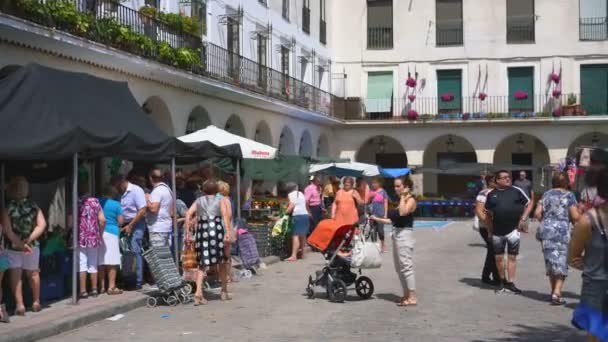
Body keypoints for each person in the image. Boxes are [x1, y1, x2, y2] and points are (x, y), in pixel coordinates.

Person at [569, 149, 608, 342]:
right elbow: (573, 257)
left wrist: (592, 267)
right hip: (596, 288)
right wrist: (594, 268)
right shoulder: (587, 221)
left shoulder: (586, 220)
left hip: (595, 283)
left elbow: (574, 259)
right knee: (597, 335)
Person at [534, 172, 581, 305]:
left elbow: (537, 213)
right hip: (561, 231)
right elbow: (575, 216)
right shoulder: (569, 195)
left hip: (547, 230)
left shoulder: (546, 194)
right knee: (561, 261)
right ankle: (556, 292)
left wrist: (546, 222)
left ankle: (554, 292)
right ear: (566, 182)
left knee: (550, 261)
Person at [370, 176, 417, 307]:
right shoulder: (401, 200)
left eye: (398, 186)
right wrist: (377, 219)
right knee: (398, 267)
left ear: (406, 187)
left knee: (406, 266)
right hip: (396, 234)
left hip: (405, 235)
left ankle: (412, 296)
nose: (396, 189)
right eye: (395, 186)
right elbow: (394, 219)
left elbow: (402, 212)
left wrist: (403, 196)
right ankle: (406, 294)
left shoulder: (411, 200)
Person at [484, 170, 533, 294]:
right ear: (498, 180)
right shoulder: (491, 194)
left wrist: (523, 218)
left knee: (512, 257)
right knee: (499, 258)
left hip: (513, 231)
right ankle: (501, 282)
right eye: (504, 177)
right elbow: (488, 215)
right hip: (497, 231)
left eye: (509, 177)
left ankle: (510, 283)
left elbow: (530, 203)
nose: (508, 179)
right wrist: (489, 231)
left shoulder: (516, 191)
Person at [2, 176, 46, 315]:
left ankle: (20, 305)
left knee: (16, 275)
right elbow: (42, 225)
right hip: (32, 245)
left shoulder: (7, 209)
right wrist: (29, 240)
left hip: (13, 247)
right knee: (33, 273)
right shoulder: (34, 206)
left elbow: (8, 231)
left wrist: (20, 244)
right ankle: (36, 301)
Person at [185, 180, 232, 305]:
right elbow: (225, 216)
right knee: (222, 262)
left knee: (202, 264)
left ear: (203, 190)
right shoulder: (220, 200)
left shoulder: (198, 201)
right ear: (216, 190)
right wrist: (227, 233)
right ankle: (224, 291)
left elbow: (188, 214)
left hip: (202, 233)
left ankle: (198, 294)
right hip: (216, 232)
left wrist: (187, 233)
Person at [116, 174, 147, 290]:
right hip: (125, 224)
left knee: (135, 250)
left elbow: (142, 210)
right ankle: (128, 278)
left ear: (122, 182)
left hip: (136, 223)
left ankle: (137, 281)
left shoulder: (136, 190)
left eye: (117, 186)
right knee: (126, 253)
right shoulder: (120, 194)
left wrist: (131, 225)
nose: (117, 189)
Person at [77, 182, 106, 298]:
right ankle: (94, 289)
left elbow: (70, 222)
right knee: (93, 263)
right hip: (93, 236)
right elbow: (102, 220)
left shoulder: (76, 202)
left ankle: (83, 291)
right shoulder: (95, 202)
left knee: (82, 263)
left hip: (80, 237)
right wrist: (100, 233)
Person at [474, 172, 500, 285]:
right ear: (490, 181)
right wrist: (488, 224)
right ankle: (493, 277)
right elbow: (479, 211)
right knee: (493, 251)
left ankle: (489, 276)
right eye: (496, 180)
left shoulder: (497, 192)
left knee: (493, 251)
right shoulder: (483, 193)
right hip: (486, 227)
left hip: (496, 226)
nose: (498, 182)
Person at [98, 186, 124, 295]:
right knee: (112, 261)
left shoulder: (98, 201)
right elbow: (121, 221)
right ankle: (111, 287)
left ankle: (101, 287)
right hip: (112, 232)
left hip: (99, 232)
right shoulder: (116, 204)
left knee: (101, 260)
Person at [146, 168, 174, 248]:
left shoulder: (157, 191)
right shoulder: (168, 189)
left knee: (158, 257)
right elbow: (172, 211)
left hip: (157, 228)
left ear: (151, 178)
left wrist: (147, 199)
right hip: (166, 227)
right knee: (164, 257)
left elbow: (154, 209)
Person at [285, 182, 310, 262]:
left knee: (295, 235)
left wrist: (284, 214)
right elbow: (305, 203)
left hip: (298, 215)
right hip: (305, 215)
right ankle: (302, 254)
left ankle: (293, 256)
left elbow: (291, 206)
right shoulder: (301, 194)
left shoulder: (291, 195)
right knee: (302, 235)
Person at [369, 177, 389, 252]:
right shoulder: (371, 192)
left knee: (380, 231)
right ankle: (374, 246)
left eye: (375, 183)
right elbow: (367, 201)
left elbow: (386, 203)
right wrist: (370, 196)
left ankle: (383, 245)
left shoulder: (383, 192)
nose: (373, 184)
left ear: (379, 183)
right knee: (373, 231)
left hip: (380, 214)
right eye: (372, 183)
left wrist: (385, 214)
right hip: (372, 214)